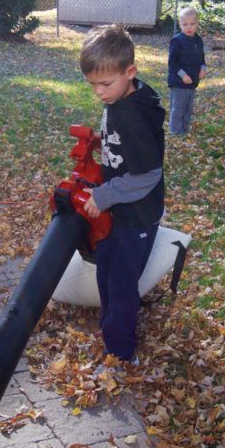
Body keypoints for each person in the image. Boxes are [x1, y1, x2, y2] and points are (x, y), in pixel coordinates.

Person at [79, 25, 166, 365]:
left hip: (137, 215)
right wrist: (105, 142)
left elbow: (148, 174)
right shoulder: (123, 97)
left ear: (130, 72)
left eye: (106, 84)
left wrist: (105, 195)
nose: (99, 92)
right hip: (121, 212)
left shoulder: (130, 114)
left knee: (120, 283)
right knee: (107, 271)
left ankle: (120, 351)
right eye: (93, 85)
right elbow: (127, 145)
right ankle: (112, 329)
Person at [167, 7, 207, 136]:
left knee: (188, 108)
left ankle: (184, 130)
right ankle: (175, 131)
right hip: (178, 82)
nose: (189, 27)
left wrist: (203, 68)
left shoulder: (198, 40)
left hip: (192, 81)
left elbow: (202, 58)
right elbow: (172, 62)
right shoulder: (177, 41)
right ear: (180, 24)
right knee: (178, 107)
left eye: (192, 24)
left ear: (197, 24)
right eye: (185, 24)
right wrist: (182, 75)